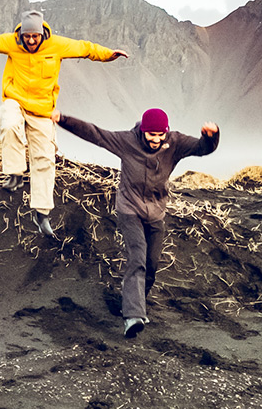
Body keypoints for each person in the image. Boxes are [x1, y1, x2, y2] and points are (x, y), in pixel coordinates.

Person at [52, 107, 219, 337]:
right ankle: (133, 316)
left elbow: (202, 149)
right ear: (143, 131)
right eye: (152, 135)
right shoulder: (127, 141)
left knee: (151, 265)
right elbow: (95, 134)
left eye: (161, 135)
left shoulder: (176, 142)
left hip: (157, 212)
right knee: (138, 256)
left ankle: (136, 302)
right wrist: (63, 119)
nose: (157, 140)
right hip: (129, 209)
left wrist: (211, 136)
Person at [0, 11, 128, 237]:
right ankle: (14, 174)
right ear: (21, 34)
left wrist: (109, 54)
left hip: (42, 111)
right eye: (27, 36)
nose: (31, 41)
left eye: (35, 37)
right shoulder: (12, 42)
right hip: (15, 101)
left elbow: (86, 48)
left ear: (43, 34)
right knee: (9, 122)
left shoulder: (57, 45)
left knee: (45, 159)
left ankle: (41, 215)